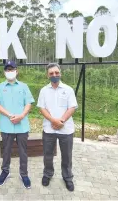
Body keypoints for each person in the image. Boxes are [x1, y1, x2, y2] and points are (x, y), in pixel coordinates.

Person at [0, 60, 35, 189]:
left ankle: (24, 174)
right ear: (4, 72)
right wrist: (10, 115)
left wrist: (21, 116)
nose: (10, 72)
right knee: (6, 151)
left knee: (23, 151)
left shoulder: (24, 86)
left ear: (17, 71)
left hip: (22, 126)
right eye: (7, 70)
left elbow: (29, 103)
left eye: (12, 69)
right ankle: (5, 171)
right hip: (6, 125)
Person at [36, 63, 78, 191]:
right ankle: (47, 174)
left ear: (60, 73)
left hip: (66, 129)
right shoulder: (44, 90)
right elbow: (42, 108)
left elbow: (72, 107)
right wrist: (54, 121)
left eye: (56, 72)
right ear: (47, 75)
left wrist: (61, 121)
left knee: (67, 156)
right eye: (51, 73)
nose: (54, 75)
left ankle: (67, 177)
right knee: (47, 155)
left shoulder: (68, 89)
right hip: (49, 129)